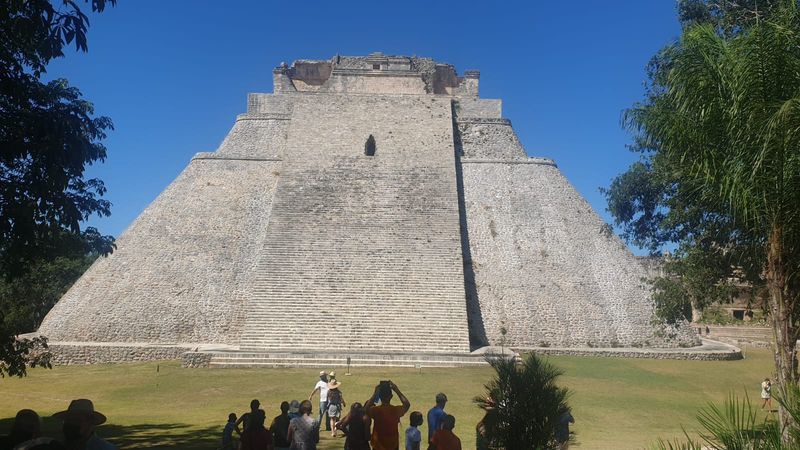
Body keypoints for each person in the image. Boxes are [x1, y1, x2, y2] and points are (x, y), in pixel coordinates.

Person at [52, 399, 117, 450]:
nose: (71, 424)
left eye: (77, 421)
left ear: (90, 423)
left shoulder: (104, 448)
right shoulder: (58, 446)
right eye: (68, 420)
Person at [365, 381, 410, 450]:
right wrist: (396, 390)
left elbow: (366, 409)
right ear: (391, 396)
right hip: (393, 445)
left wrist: (375, 393)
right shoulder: (395, 410)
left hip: (378, 445)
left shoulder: (376, 411)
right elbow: (407, 404)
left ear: (380, 396)